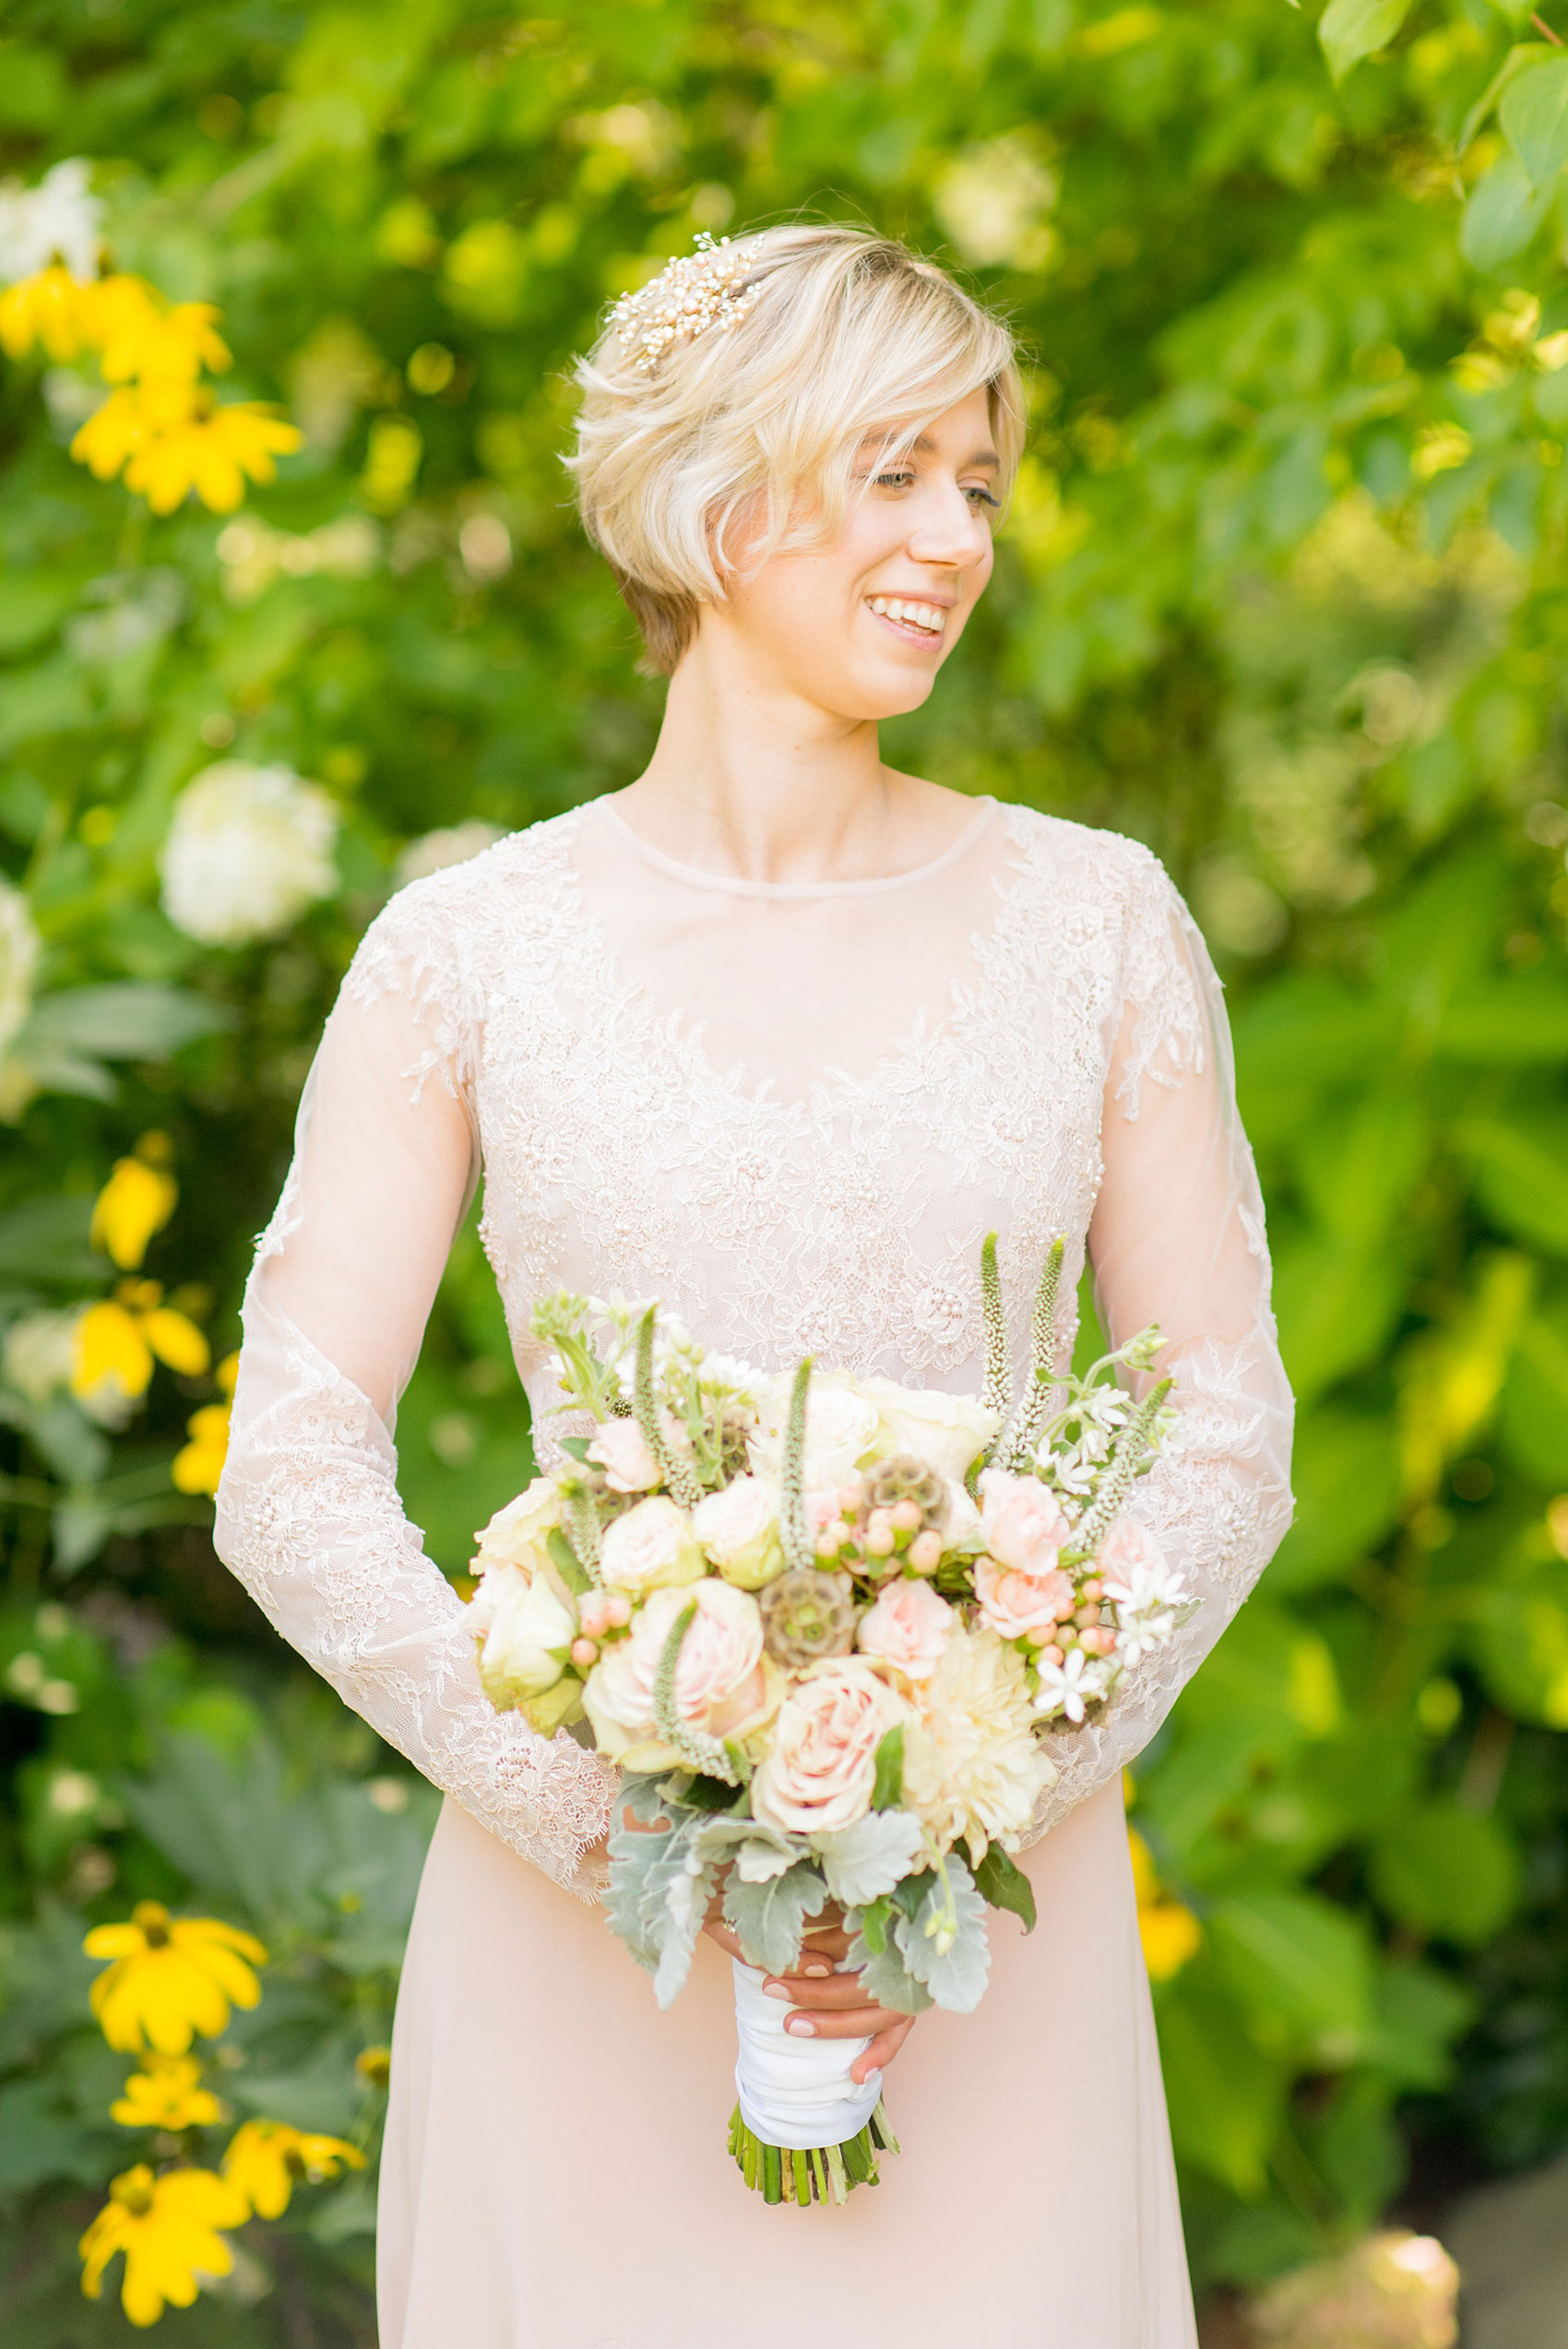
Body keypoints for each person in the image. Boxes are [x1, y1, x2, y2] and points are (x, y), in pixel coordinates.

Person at [215, 224, 1293, 2348]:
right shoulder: (469, 957)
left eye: (975, 484)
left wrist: (962, 1805)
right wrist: (630, 1826)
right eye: (887, 471)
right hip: (578, 1950)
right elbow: (289, 1462)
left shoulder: (1097, 925)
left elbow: (1222, 1430)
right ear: (711, 495)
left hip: (996, 1937)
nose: (950, 540)